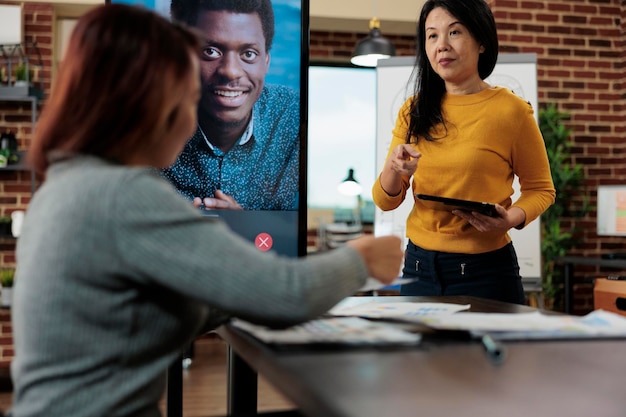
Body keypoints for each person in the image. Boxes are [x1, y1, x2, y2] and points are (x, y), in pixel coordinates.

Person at [8, 4, 403, 417]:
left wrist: (231, 290)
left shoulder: (65, 186)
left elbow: (142, 311)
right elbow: (289, 294)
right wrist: (363, 258)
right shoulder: (125, 195)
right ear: (146, 102)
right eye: (189, 97)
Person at [372, 0, 555, 304]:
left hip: (486, 273)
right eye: (432, 36)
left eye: (454, 32)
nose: (441, 45)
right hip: (418, 270)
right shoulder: (414, 110)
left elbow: (541, 190)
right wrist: (394, 169)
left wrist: (510, 218)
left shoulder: (511, 111)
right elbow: (384, 200)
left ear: (481, 41)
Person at [162, 0, 299, 210]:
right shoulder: (147, 120)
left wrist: (242, 226)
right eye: (210, 51)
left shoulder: (294, 117)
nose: (231, 71)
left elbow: (291, 231)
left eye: (248, 54)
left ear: (266, 62)